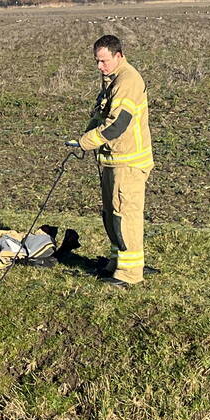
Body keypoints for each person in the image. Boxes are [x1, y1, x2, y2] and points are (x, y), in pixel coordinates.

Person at [77, 34, 154, 287]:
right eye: (97, 61)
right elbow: (102, 116)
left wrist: (88, 142)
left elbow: (117, 125)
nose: (100, 67)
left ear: (118, 56)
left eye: (104, 61)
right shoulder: (111, 79)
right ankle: (116, 262)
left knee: (125, 215)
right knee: (111, 213)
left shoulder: (128, 80)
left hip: (128, 162)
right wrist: (85, 135)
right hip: (113, 159)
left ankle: (131, 274)